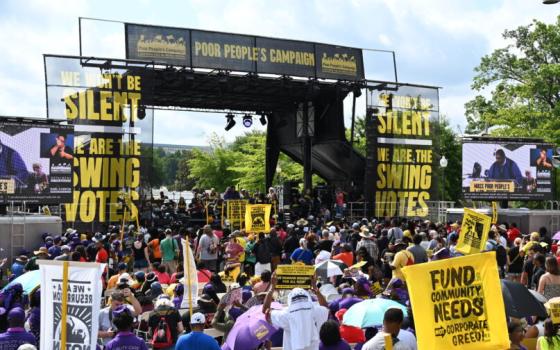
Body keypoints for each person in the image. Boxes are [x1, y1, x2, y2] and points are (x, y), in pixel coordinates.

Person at [263, 273, 329, 350]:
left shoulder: (286, 314)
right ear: (308, 298)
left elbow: (266, 311)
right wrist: (316, 290)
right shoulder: (314, 310)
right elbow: (325, 308)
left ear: (290, 301)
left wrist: (272, 288)